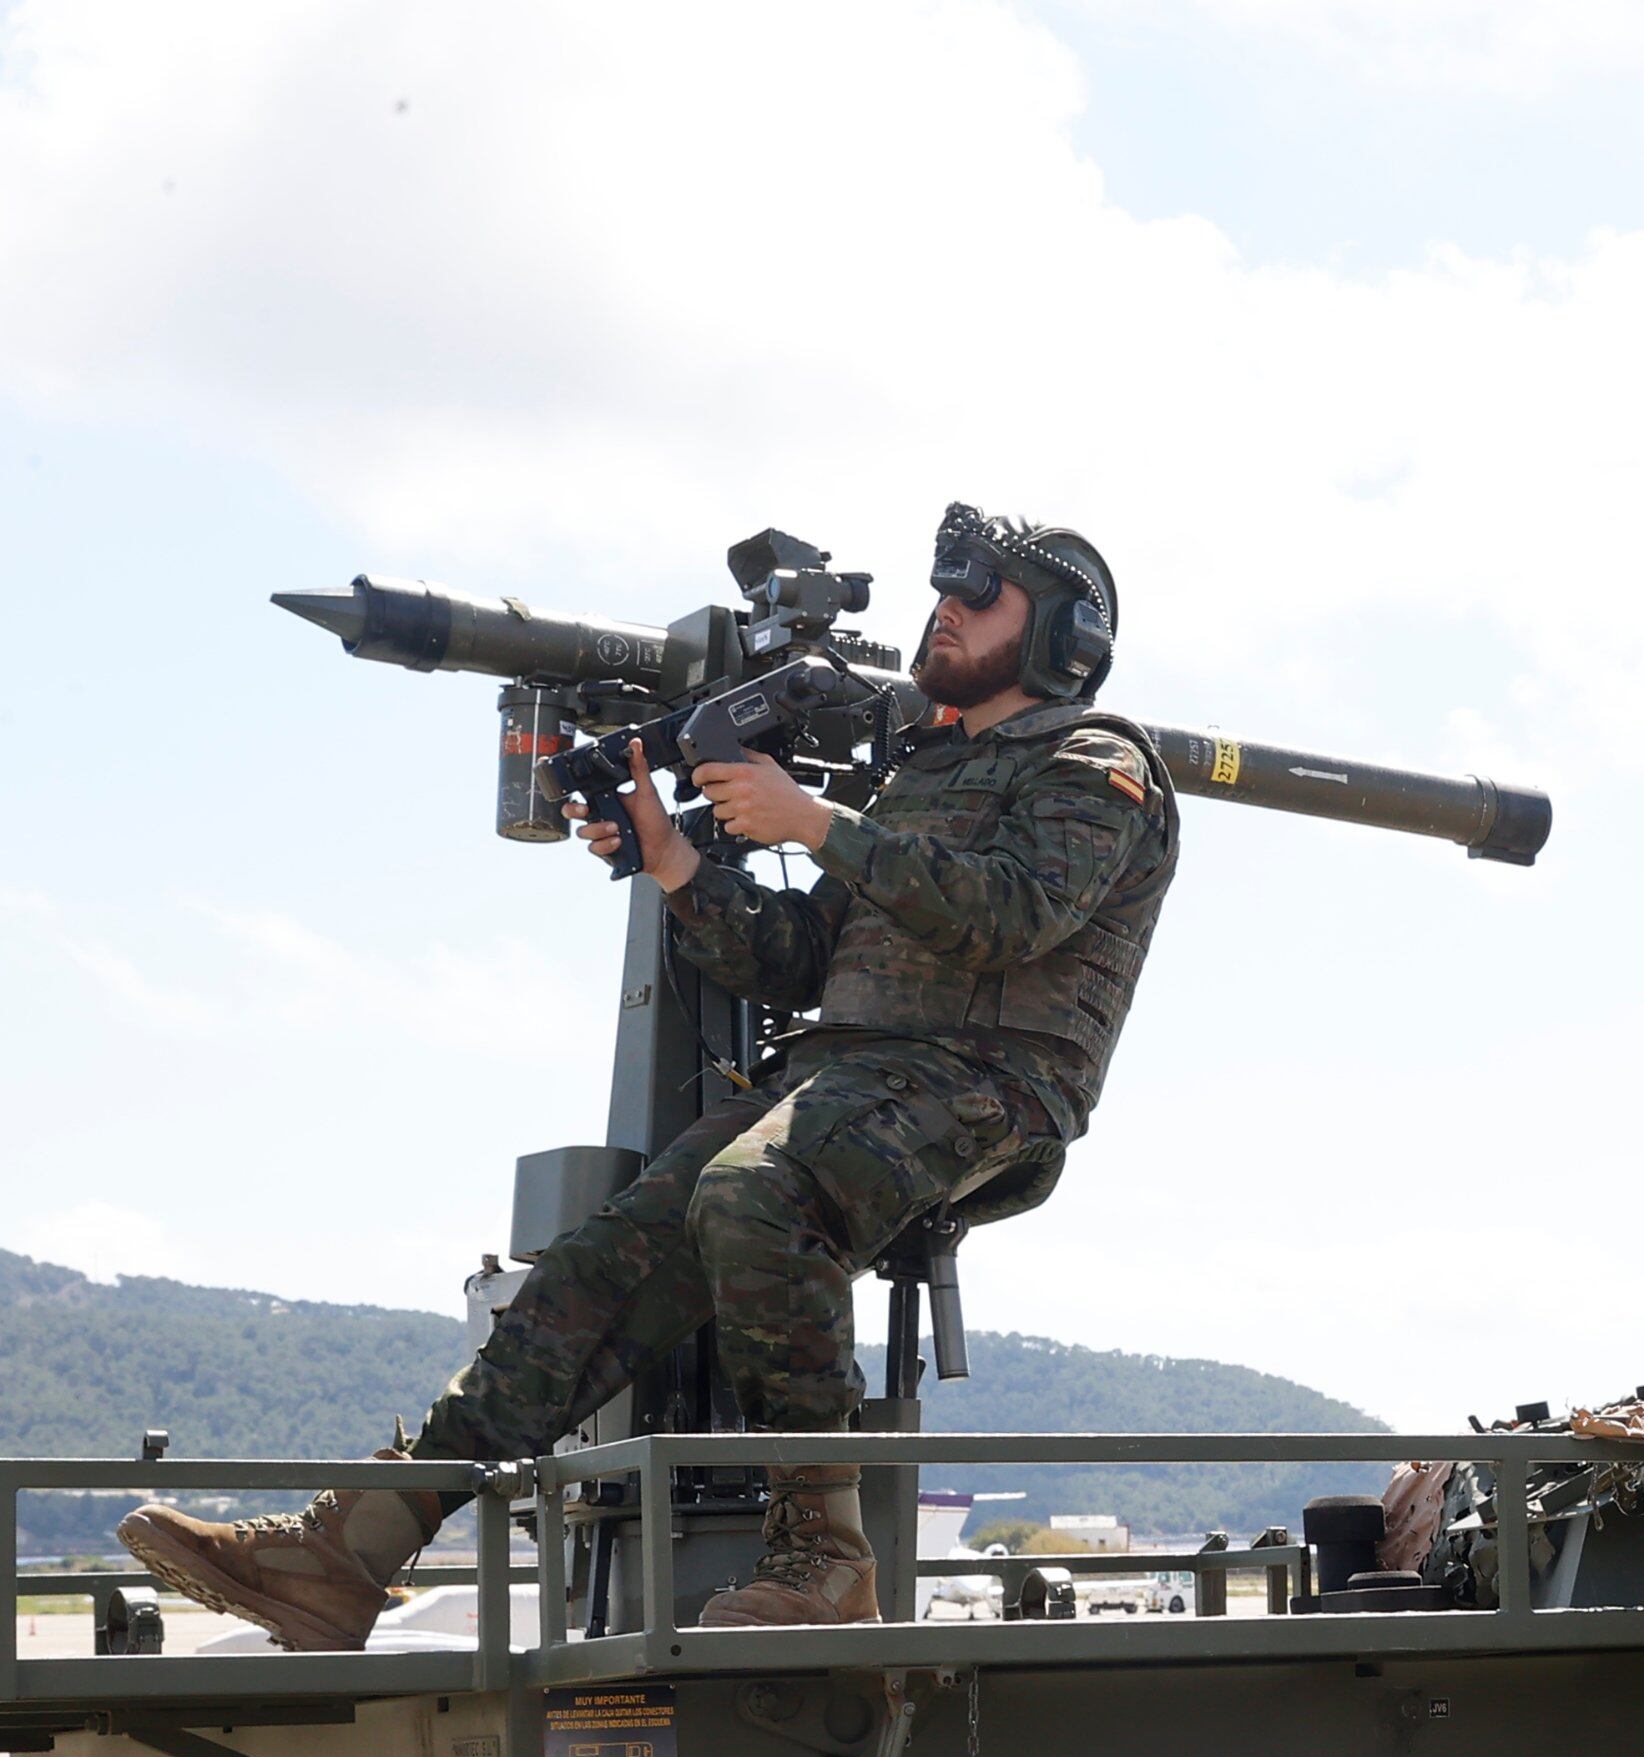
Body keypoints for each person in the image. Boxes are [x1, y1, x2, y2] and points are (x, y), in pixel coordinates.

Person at [120, 505, 1180, 1642]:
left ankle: (826, 1561)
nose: (949, 611)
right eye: (945, 592)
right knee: (602, 1261)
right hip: (851, 1079)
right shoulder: (924, 780)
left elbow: (1011, 916)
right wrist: (675, 862)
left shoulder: (1095, 765)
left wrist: (817, 823)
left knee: (752, 1191)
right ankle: (349, 1554)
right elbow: (798, 958)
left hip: (989, 1088)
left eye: (982, 597)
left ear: (1065, 639)